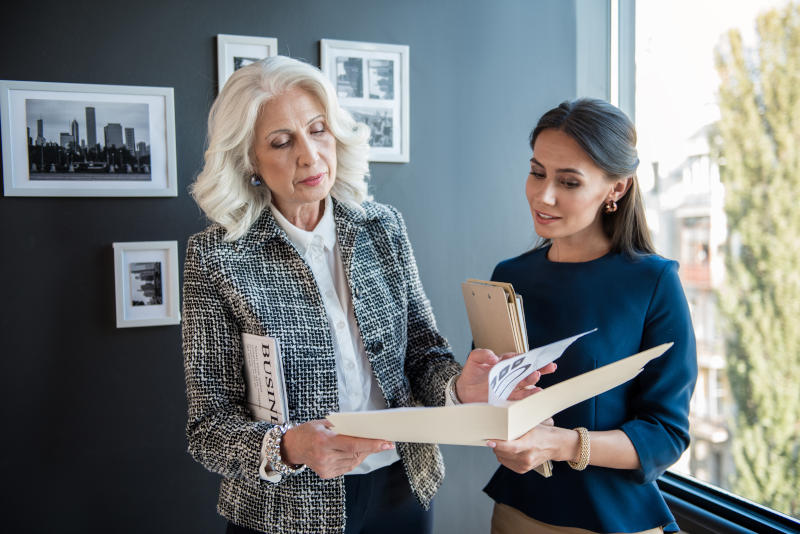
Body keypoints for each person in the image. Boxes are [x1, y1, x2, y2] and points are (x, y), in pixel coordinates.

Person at [181, 56, 540, 534]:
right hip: (286, 509)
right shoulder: (215, 257)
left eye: (318, 130)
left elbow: (423, 354)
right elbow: (210, 426)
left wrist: (461, 388)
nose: (310, 156)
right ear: (249, 160)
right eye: (282, 142)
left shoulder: (382, 227)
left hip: (401, 489)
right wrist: (289, 447)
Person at [482, 98, 698, 534]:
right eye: (537, 172)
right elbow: (489, 401)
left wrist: (561, 445)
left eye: (569, 182)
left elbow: (666, 433)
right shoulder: (508, 278)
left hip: (612, 522)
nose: (543, 195)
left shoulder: (653, 282)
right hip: (515, 514)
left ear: (616, 189)